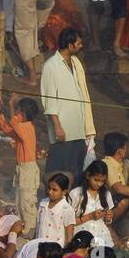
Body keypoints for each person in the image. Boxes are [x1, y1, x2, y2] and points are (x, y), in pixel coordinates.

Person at [39, 28, 94, 182]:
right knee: (58, 172)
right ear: (70, 45)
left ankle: (72, 204)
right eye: (78, 43)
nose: (81, 46)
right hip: (63, 130)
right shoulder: (51, 66)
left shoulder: (76, 63)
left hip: (78, 127)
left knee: (76, 171)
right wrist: (57, 126)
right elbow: (49, 100)